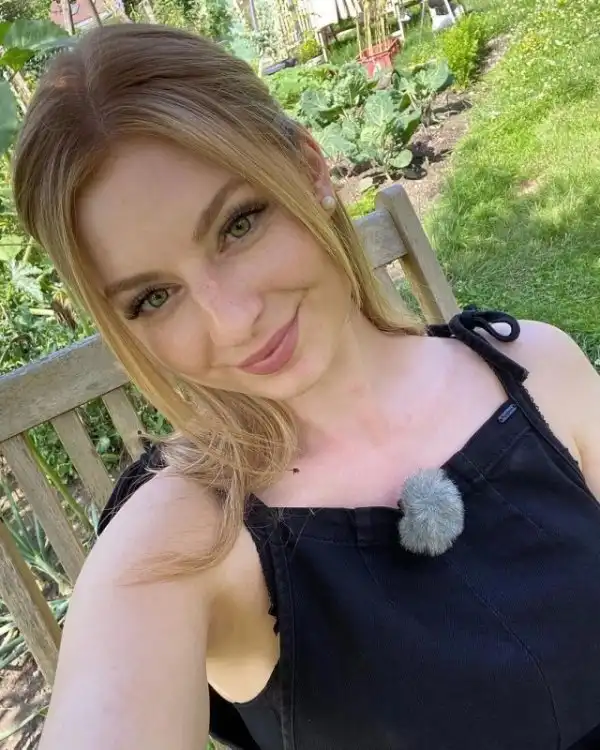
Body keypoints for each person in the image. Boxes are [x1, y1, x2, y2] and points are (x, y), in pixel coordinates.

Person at [12, 23, 600, 750]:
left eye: (238, 225)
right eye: (153, 298)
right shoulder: (179, 545)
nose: (232, 322)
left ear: (310, 168)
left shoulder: (539, 368)